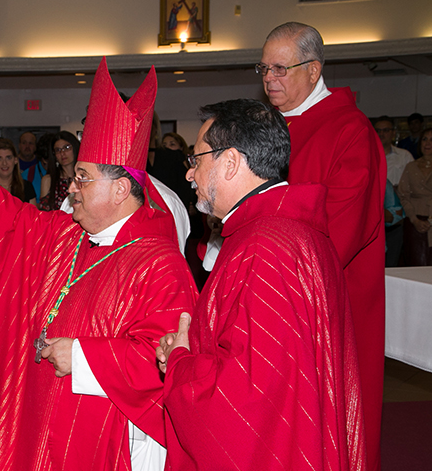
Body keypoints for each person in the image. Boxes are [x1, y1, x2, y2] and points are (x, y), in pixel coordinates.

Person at [0, 57, 197, 471]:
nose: (71, 188)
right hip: (41, 425)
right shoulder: (65, 233)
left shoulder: (159, 263)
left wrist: (81, 356)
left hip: (103, 438)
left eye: (83, 178)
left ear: (121, 189)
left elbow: (165, 362)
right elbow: (4, 219)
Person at [156, 98, 366, 471]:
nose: (190, 174)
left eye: (197, 159)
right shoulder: (295, 232)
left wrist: (179, 361)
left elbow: (246, 400)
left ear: (231, 162)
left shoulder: (263, 248)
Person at [259, 22, 385, 470]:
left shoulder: (350, 131)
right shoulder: (271, 129)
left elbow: (343, 226)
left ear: (313, 71)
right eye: (264, 68)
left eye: (280, 68)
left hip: (328, 299)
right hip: (273, 289)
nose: (269, 78)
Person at [375, 116, 413, 266]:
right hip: (376, 218)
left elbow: (412, 185)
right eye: (378, 130)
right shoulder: (368, 153)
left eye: (386, 130)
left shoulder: (404, 156)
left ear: (393, 133)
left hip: (395, 214)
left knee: (391, 265)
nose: (382, 134)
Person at [397, 129, 432, 266]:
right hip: (414, 222)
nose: (427, 143)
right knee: (415, 263)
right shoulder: (411, 167)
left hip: (431, 218)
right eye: (424, 139)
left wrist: (431, 220)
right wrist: (414, 219)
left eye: (431, 140)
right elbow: (403, 194)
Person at [0, 138, 37, 204]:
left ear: (15, 160)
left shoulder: (26, 187)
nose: (4, 163)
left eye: (8, 158)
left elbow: (33, 214)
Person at [39, 131, 79, 211]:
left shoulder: (84, 178)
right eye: (58, 150)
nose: (62, 153)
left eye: (66, 148)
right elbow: (44, 213)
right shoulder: (48, 180)